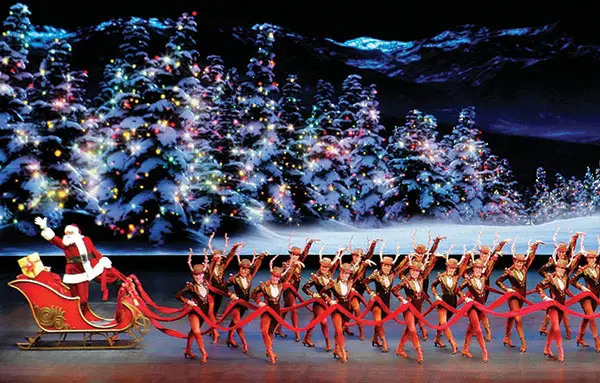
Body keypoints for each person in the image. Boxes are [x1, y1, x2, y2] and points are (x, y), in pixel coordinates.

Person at [34, 217, 120, 314]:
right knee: (77, 296)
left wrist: (101, 259)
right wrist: (45, 228)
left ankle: (119, 283)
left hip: (86, 267)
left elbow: (94, 251)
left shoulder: (86, 240)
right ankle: (77, 314)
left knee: (87, 293)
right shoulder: (65, 244)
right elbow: (53, 239)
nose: (69, 234)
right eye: (67, 233)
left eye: (71, 232)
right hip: (73, 271)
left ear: (77, 233)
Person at [495, 239, 543, 352]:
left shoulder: (525, 269)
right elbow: (498, 281)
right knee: (518, 318)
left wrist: (535, 246)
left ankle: (506, 337)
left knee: (512, 316)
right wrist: (507, 289)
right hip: (513, 297)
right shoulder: (509, 272)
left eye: (521, 262)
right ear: (514, 261)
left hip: (522, 297)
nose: (519, 264)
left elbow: (531, 257)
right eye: (518, 262)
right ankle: (523, 343)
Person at [538, 230, 583, 339]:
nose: (562, 254)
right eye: (560, 252)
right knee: (559, 308)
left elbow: (572, 247)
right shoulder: (553, 261)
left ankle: (544, 327)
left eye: (564, 252)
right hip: (555, 287)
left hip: (564, 285)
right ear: (557, 251)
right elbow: (541, 270)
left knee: (556, 309)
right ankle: (565, 331)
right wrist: (549, 276)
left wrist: (575, 237)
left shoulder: (568, 259)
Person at [176, 249, 217, 363]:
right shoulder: (191, 287)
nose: (198, 277)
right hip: (195, 312)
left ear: (203, 274)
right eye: (196, 275)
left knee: (193, 332)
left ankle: (187, 350)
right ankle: (204, 352)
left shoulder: (206, 284)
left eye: (200, 274)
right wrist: (188, 302)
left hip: (204, 313)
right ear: (193, 276)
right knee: (197, 332)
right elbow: (178, 296)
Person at [276, 236, 319, 341]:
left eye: (297, 255)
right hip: (288, 290)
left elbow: (304, 254)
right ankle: (297, 333)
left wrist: (309, 243)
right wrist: (293, 265)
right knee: (293, 309)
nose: (295, 257)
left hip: (295, 290)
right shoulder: (285, 264)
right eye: (293, 254)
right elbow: (285, 277)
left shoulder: (299, 262)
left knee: (286, 309)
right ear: (290, 254)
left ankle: (277, 328)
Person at [222, 250, 266, 352]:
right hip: (236, 304)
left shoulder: (249, 277)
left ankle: (229, 338)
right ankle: (244, 343)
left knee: (234, 322)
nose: (244, 271)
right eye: (243, 269)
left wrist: (260, 257)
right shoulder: (234, 279)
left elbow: (256, 267)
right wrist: (230, 294)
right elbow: (222, 286)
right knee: (238, 323)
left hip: (244, 304)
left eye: (247, 270)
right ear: (240, 268)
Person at [250, 255, 291, 364]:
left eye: (277, 277)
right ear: (271, 275)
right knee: (264, 331)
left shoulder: (281, 285)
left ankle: (269, 350)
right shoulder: (264, 286)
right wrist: (259, 302)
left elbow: (288, 276)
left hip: (276, 312)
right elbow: (253, 294)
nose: (275, 278)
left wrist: (294, 264)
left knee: (270, 331)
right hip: (266, 311)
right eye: (274, 276)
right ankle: (270, 352)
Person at [301, 244, 343, 351]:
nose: (324, 269)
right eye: (323, 266)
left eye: (327, 267)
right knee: (323, 321)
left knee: (315, 320)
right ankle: (328, 342)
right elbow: (304, 288)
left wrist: (340, 253)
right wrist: (313, 294)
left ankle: (306, 338)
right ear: (320, 266)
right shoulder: (315, 277)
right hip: (319, 303)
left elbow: (335, 263)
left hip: (329, 302)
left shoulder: (329, 275)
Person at [363, 245, 400, 353]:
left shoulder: (392, 275)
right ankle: (384, 343)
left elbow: (402, 267)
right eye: (385, 265)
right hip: (376, 303)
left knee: (379, 323)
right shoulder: (376, 274)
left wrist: (408, 259)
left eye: (389, 266)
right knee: (378, 322)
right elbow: (365, 282)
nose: (387, 267)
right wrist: (371, 292)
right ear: (382, 265)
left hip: (386, 303)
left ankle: (375, 339)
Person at [537, 259, 575, 363]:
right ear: (556, 267)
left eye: (563, 268)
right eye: (559, 267)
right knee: (557, 329)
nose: (561, 270)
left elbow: (564, 291)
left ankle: (547, 349)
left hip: (561, 307)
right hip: (552, 306)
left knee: (553, 329)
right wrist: (544, 297)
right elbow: (539, 286)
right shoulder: (550, 278)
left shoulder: (566, 278)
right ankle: (560, 351)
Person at [430, 254, 468, 354]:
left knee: (443, 322)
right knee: (444, 323)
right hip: (443, 302)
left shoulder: (456, 276)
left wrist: (466, 257)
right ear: (447, 267)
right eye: (450, 268)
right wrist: (436, 295)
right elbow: (433, 285)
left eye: (453, 268)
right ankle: (453, 343)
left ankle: (437, 339)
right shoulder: (441, 276)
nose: (451, 270)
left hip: (453, 302)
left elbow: (463, 267)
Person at [319, 262, 356, 364]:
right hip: (336, 310)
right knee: (339, 331)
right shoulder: (333, 282)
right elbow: (322, 292)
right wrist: (329, 300)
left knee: (340, 330)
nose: (345, 275)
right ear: (340, 272)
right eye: (343, 273)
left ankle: (336, 349)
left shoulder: (350, 282)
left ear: (349, 274)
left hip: (346, 310)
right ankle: (343, 352)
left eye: (347, 274)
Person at [569, 236, 600, 351]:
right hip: (586, 296)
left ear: (596, 259)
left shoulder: (599, 268)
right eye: (589, 258)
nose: (591, 260)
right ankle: (597, 340)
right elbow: (572, 281)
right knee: (591, 317)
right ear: (587, 259)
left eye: (593, 258)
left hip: (596, 296)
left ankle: (580, 338)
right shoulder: (583, 269)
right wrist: (582, 287)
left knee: (587, 317)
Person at [393, 259, 426, 363]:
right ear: (410, 271)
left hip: (418, 309)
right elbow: (394, 289)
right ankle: (419, 352)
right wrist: (402, 299)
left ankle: (400, 348)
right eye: (413, 271)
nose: (415, 273)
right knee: (412, 330)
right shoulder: (406, 281)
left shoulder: (420, 280)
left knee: (408, 329)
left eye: (417, 271)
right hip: (408, 308)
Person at [458, 259, 489, 363]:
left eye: (480, 268)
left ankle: (465, 349)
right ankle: (484, 351)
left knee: (470, 329)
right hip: (471, 307)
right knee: (478, 329)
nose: (478, 270)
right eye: (477, 268)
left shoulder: (484, 277)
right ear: (473, 268)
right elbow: (458, 289)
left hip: (481, 306)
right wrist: (465, 298)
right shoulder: (468, 279)